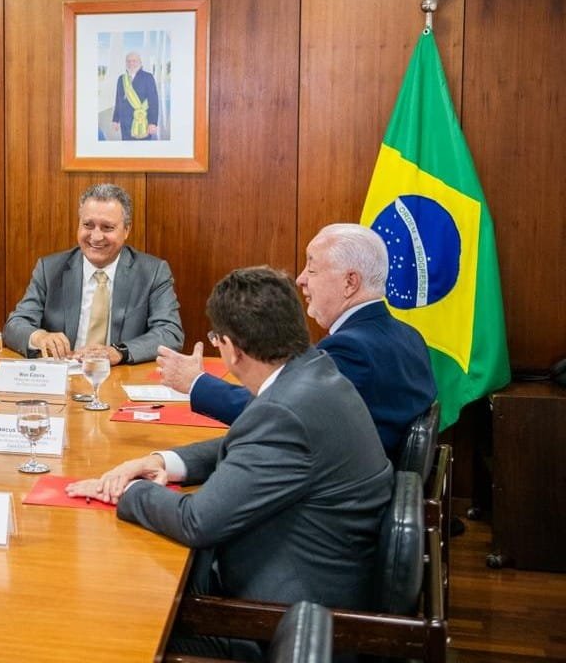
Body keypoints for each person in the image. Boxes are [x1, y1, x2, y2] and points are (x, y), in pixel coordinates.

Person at [68, 267, 392, 659]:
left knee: (117, 623)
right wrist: (162, 461)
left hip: (277, 617)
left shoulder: (286, 413)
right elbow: (251, 440)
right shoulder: (314, 374)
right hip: (320, 582)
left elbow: (197, 521)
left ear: (231, 349)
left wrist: (127, 491)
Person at [157, 223, 436, 459]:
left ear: (350, 282)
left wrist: (195, 382)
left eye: (312, 270)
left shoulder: (351, 350)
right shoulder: (409, 335)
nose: (301, 279)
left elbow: (275, 414)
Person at [3, 183, 183, 365]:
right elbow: (15, 325)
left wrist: (119, 352)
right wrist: (39, 337)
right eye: (88, 225)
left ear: (126, 230)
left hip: (118, 377)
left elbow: (170, 332)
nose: (96, 237)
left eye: (107, 228)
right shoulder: (50, 269)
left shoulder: (152, 272)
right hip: (63, 377)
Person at [111, 51, 160, 140]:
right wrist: (115, 119)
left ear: (140, 63)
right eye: (128, 61)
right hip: (125, 124)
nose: (131, 63)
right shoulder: (121, 79)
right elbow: (118, 101)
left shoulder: (148, 77)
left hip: (142, 122)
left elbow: (153, 101)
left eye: (134, 61)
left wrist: (153, 123)